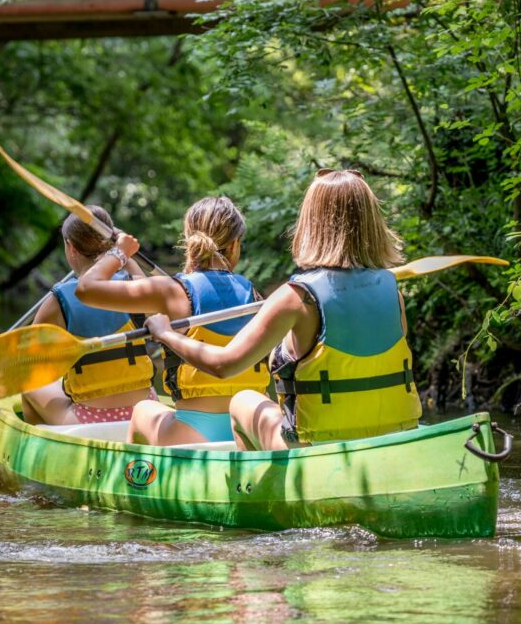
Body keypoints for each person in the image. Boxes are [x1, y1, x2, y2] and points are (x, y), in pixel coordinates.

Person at [142, 170, 422, 450]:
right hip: (391, 437)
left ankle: (255, 479)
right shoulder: (393, 293)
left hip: (316, 447)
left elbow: (223, 365)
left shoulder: (296, 297)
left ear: (312, 223)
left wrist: (166, 334)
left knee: (244, 400)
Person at [74, 196, 268, 445]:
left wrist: (120, 252)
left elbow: (86, 288)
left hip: (193, 433)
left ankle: (137, 469)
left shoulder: (171, 291)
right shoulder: (256, 297)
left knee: (144, 409)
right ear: (234, 245)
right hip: (248, 428)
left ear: (188, 240)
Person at [22, 206, 156, 426]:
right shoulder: (136, 287)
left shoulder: (58, 300)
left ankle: (43, 440)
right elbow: (134, 271)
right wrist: (121, 252)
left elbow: (25, 358)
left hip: (90, 419)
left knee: (28, 382)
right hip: (143, 411)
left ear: (71, 247)